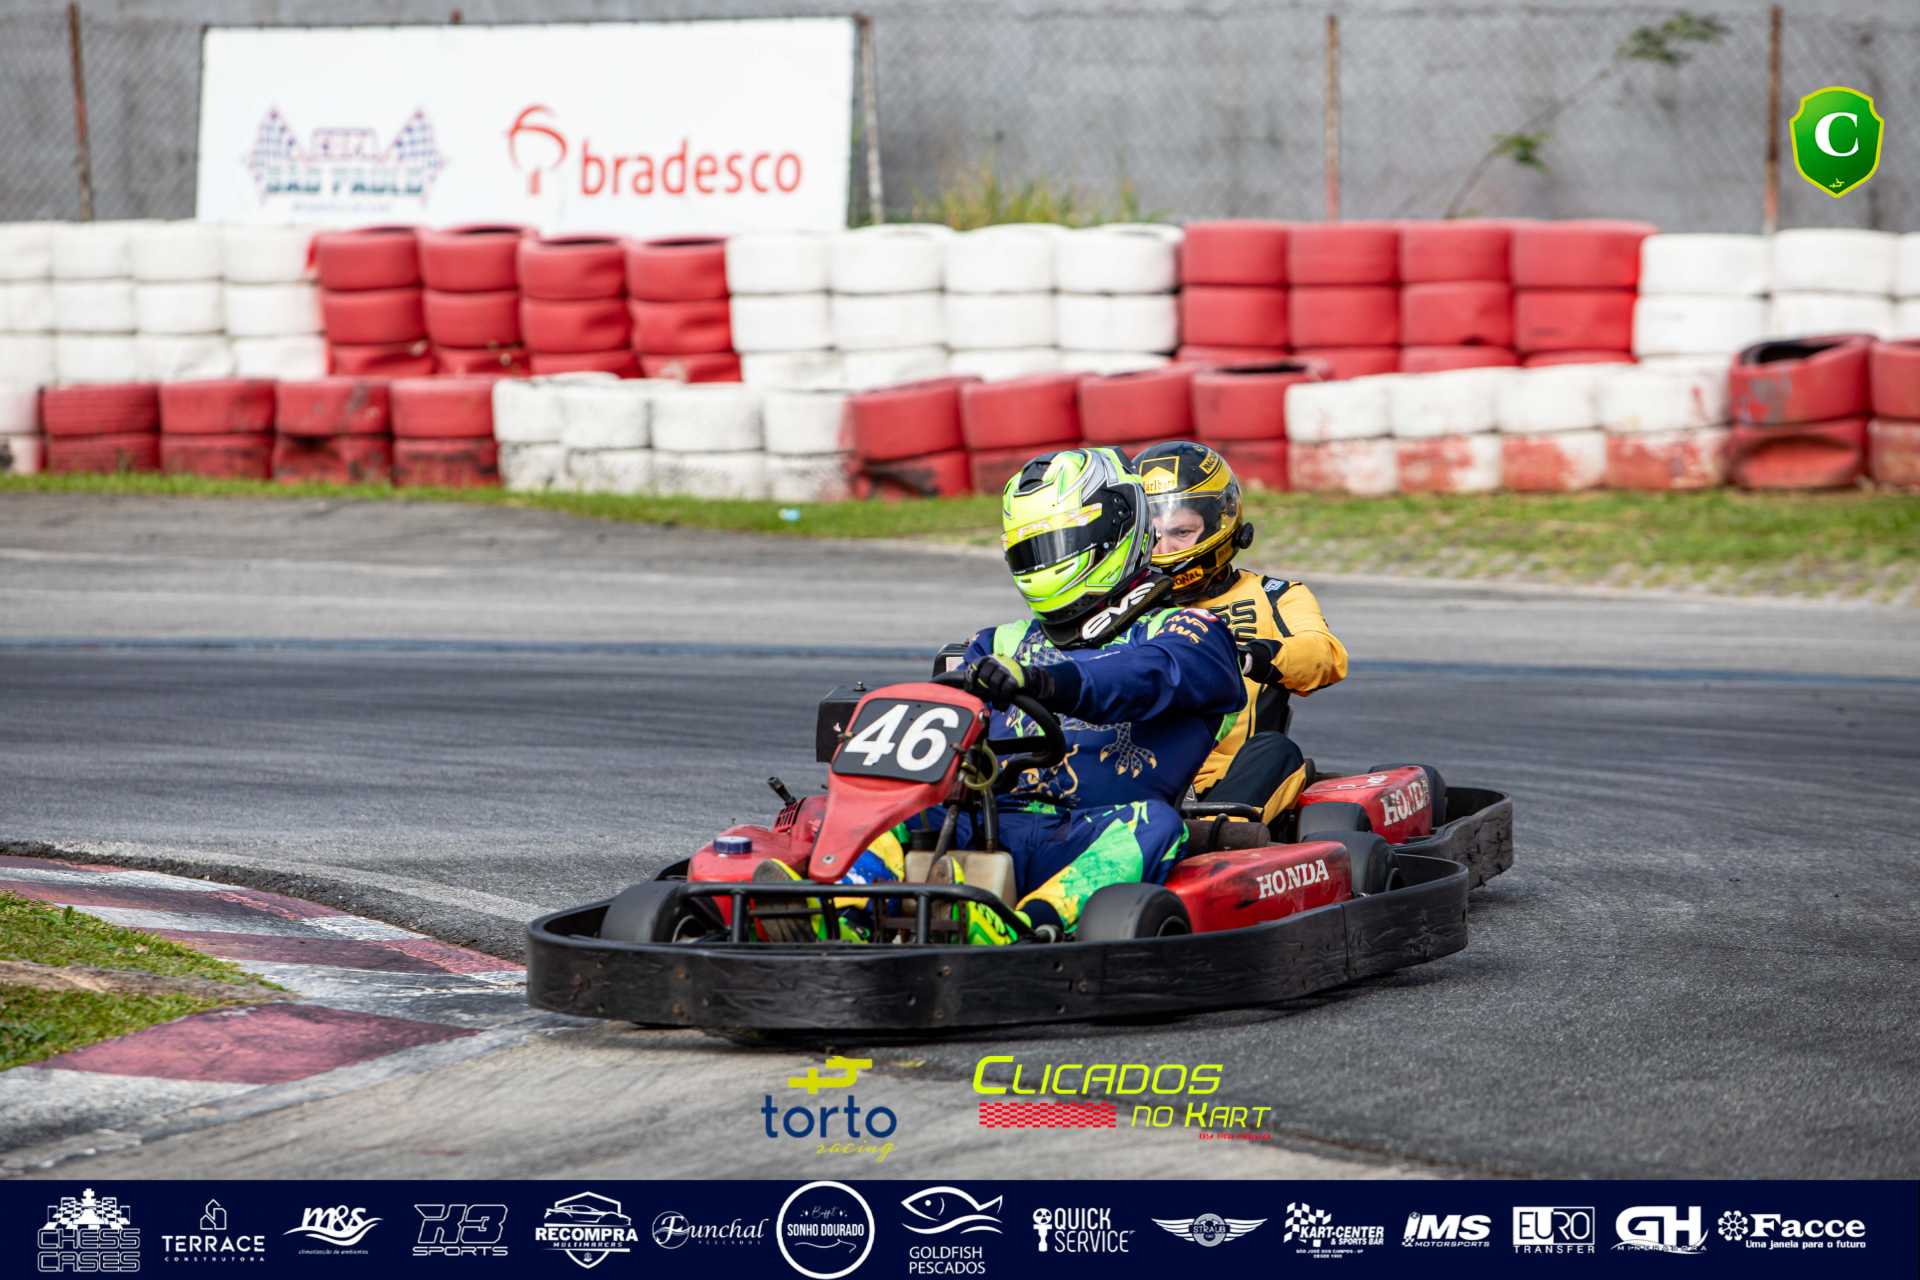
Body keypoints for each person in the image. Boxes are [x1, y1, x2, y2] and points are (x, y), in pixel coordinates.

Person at [758, 446, 1244, 945]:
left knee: (1157, 823)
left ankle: (1019, 927)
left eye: (1059, 544)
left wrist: (1045, 681)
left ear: (1116, 530)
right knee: (896, 812)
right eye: (1031, 552)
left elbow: (1148, 675)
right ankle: (843, 912)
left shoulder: (1189, 632)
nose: (1045, 562)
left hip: (1096, 832)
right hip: (993, 820)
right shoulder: (997, 645)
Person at [1133, 440, 1348, 827]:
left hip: (1226, 782)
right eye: (1152, 534)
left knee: (1276, 750)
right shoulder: (1118, 610)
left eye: (1181, 531)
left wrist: (1254, 657)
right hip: (1134, 774)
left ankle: (1213, 835)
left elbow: (1325, 656)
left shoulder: (1275, 595)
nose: (1165, 547)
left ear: (1220, 524)